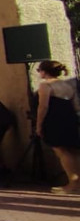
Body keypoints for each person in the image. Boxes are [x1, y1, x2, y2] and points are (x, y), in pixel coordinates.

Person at [35, 60, 80, 194]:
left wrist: (39, 124)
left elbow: (43, 106)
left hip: (54, 119)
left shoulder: (45, 85)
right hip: (69, 118)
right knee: (73, 150)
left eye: (39, 71)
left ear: (44, 71)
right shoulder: (68, 86)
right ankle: (76, 181)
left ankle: (73, 183)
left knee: (62, 151)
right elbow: (76, 105)